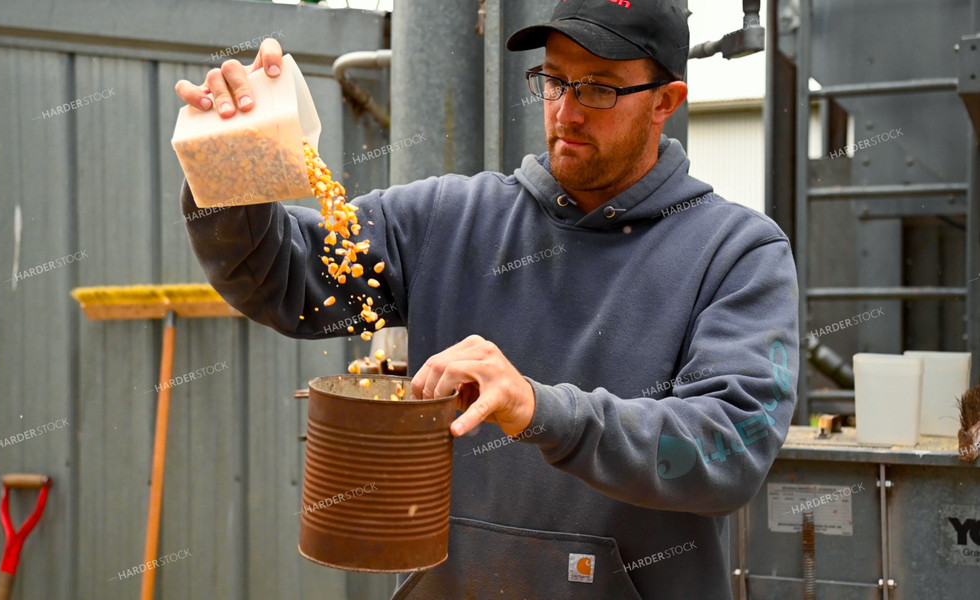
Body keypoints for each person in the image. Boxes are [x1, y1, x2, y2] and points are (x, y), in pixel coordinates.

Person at [175, 0, 799, 597]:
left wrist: (540, 409)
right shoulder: (448, 217)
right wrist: (227, 171)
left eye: (600, 88)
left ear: (667, 102)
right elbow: (284, 279)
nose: (567, 112)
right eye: (554, 81)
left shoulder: (737, 252)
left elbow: (730, 447)